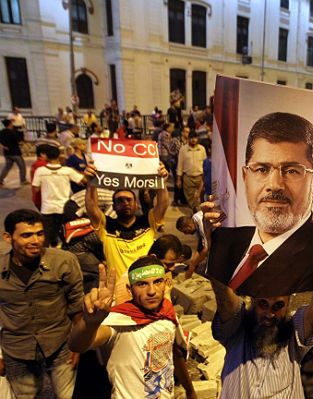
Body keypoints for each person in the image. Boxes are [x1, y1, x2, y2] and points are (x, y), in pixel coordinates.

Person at [209, 209, 313, 399]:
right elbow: (224, 296)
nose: (269, 314)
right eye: (263, 304)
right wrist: (215, 242)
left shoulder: (295, 335)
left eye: (277, 306)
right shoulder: (237, 331)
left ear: (289, 303)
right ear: (252, 301)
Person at [206, 112, 313, 297]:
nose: (274, 185)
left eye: (291, 171)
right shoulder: (226, 237)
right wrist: (208, 242)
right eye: (262, 169)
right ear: (245, 177)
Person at [68, 256, 197, 399]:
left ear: (166, 283)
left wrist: (190, 391)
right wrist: (90, 323)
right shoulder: (118, 321)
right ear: (130, 290)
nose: (152, 291)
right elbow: (77, 345)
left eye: (157, 282)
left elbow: (175, 354)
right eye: (142, 284)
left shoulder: (168, 314)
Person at [0, 209, 83, 398]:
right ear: (8, 237)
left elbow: (77, 306)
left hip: (61, 346)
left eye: (39, 234)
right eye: (26, 235)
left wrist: (78, 345)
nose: (36, 241)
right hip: (17, 350)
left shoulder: (64, 261)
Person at [84, 162, 170, 279]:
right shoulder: (106, 226)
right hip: (118, 293)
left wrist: (162, 183)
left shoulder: (148, 221)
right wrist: (91, 183)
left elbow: (163, 204)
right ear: (113, 207)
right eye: (120, 200)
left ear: (137, 205)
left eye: (129, 200)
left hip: (147, 288)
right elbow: (92, 207)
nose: (125, 203)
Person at [32, 145, 86, 247]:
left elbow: (36, 188)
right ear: (59, 156)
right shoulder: (67, 171)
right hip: (63, 207)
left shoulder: (40, 171)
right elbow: (83, 181)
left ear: (46, 156)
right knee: (64, 234)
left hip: (47, 208)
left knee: (46, 235)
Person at [176, 130, 207, 212]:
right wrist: (178, 179)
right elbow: (180, 164)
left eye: (195, 138)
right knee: (191, 200)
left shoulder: (202, 149)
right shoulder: (183, 149)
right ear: (188, 139)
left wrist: (205, 177)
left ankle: (197, 215)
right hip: (188, 178)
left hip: (200, 178)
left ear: (197, 139)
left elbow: (205, 164)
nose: (193, 140)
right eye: (191, 138)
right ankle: (196, 213)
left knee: (199, 198)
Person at [176, 212, 208, 279]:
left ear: (189, 226)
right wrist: (194, 261)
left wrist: (193, 264)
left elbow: (206, 248)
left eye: (185, 231)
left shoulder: (201, 224)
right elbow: (201, 243)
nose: (185, 234)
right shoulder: (194, 219)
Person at [0, 117, 27, 186]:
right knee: (22, 166)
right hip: (15, 152)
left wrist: (3, 146)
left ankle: (0, 180)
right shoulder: (13, 132)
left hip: (7, 152)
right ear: (10, 124)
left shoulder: (2, 132)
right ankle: (23, 180)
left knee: (7, 167)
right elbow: (19, 141)